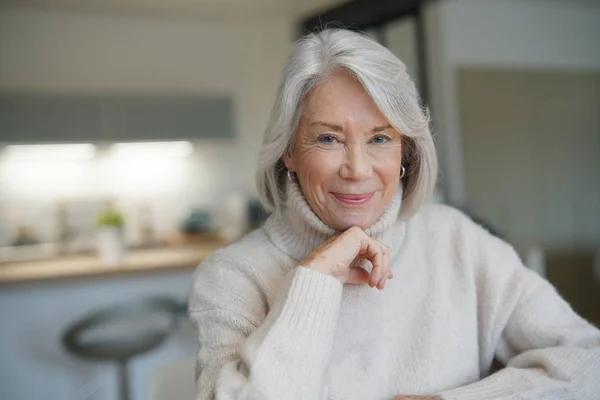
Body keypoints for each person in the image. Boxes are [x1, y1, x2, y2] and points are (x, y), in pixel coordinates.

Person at [188, 29, 600, 400]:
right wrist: (312, 282)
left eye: (380, 138)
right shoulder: (232, 277)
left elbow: (588, 361)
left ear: (406, 151)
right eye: (329, 138)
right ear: (289, 152)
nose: (359, 169)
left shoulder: (458, 241)